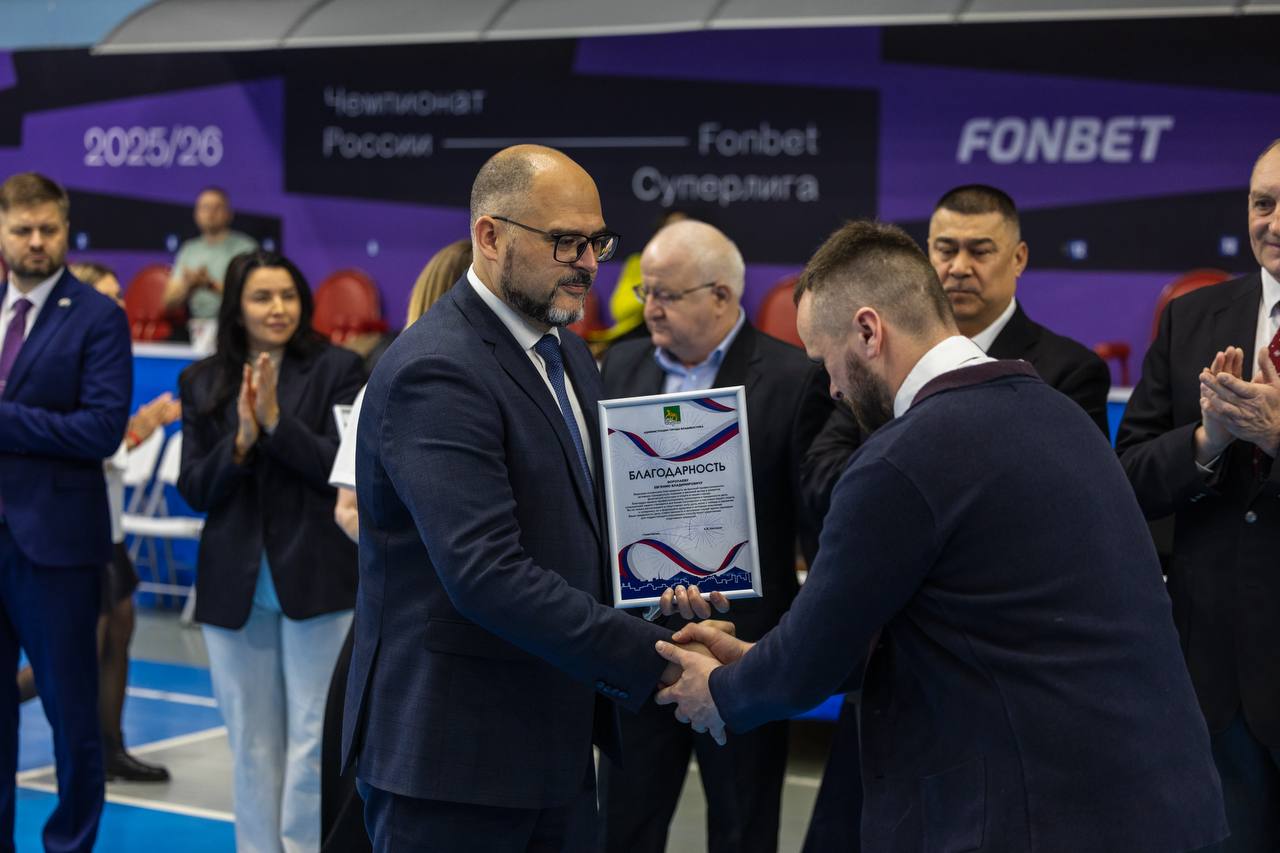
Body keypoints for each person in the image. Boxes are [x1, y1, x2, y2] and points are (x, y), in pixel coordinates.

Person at [656, 219, 1228, 853]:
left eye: (826, 361)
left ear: (869, 331)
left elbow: (811, 658)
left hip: (1039, 817)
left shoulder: (903, 458)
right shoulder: (1057, 412)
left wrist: (720, 691)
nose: (833, 388)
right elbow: (968, 623)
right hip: (1159, 807)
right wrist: (758, 657)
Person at [342, 145, 713, 852]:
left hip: (555, 744)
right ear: (490, 235)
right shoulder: (436, 368)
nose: (588, 263)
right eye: (565, 242)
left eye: (598, 241)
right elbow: (486, 574)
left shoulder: (566, 351)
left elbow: (579, 528)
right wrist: (658, 656)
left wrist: (664, 581)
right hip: (453, 763)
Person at [799, 184, 1112, 852]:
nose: (960, 266)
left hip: (1014, 741)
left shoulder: (1060, 379)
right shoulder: (874, 391)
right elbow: (821, 471)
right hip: (904, 698)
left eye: (980, 250)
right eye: (945, 248)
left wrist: (730, 685)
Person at [597, 219, 830, 853]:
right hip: (641, 643)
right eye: (645, 292)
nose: (650, 307)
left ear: (721, 295)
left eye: (666, 294)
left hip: (743, 650)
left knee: (742, 829)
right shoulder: (621, 364)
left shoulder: (793, 377)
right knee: (621, 828)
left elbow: (815, 523)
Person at [1116, 138, 1280, 851]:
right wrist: (1207, 440)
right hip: (1216, 681)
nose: (1274, 222)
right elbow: (1127, 477)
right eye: (1263, 203)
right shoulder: (1191, 319)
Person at [177, 249, 363, 853]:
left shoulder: (340, 368)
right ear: (237, 308)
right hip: (234, 583)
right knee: (250, 743)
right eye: (262, 297)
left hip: (318, 576)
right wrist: (240, 442)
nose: (278, 308)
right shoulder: (202, 380)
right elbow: (195, 488)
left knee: (313, 739)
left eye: (288, 295)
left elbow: (340, 470)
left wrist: (278, 425)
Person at [320, 238, 471, 853]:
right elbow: (348, 509)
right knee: (364, 812)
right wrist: (432, 552)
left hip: (482, 637)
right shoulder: (393, 379)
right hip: (397, 629)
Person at [0, 172, 132, 852]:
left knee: (72, 720)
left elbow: (100, 429)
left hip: (56, 547)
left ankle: (71, 846)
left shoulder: (98, 316)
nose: (35, 241)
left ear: (66, 230)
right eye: (22, 229)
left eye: (47, 229)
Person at [164, 187, 257, 344]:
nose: (211, 213)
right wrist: (189, 285)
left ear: (229, 214)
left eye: (217, 207)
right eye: (205, 207)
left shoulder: (245, 248)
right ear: (196, 214)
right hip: (196, 326)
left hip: (235, 327)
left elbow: (252, 295)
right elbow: (168, 303)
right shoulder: (189, 250)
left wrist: (210, 285)